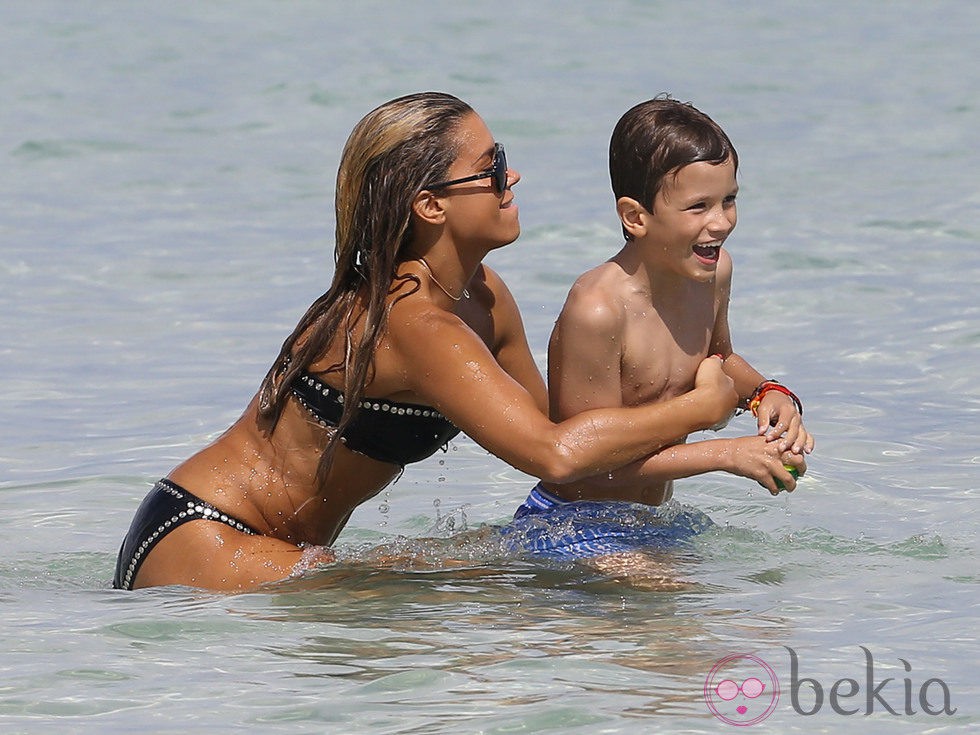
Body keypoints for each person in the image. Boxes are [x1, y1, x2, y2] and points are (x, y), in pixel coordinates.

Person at [113, 92, 740, 592]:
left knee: (494, 591)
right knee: (481, 599)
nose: (511, 175)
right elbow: (554, 454)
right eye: (489, 167)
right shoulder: (414, 324)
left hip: (284, 546)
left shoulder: (484, 296)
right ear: (430, 206)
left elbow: (568, 432)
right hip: (212, 537)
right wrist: (701, 413)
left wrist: (751, 389)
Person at [510, 96, 815, 559]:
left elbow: (718, 357)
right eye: (698, 207)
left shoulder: (712, 272)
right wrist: (727, 455)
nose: (722, 222)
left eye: (729, 200)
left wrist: (768, 394)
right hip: (572, 525)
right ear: (636, 217)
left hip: (651, 522)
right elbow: (586, 466)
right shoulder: (598, 310)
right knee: (685, 620)